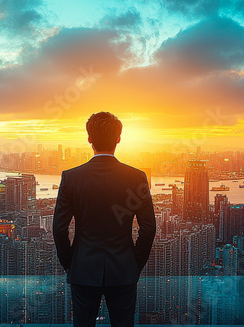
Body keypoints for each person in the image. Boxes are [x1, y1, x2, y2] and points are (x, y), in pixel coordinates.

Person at [53, 111, 156, 327]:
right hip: (124, 270)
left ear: (89, 139)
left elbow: (59, 229)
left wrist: (71, 264)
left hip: (83, 270)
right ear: (118, 139)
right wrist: (134, 263)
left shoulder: (71, 178)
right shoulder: (136, 177)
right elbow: (148, 228)